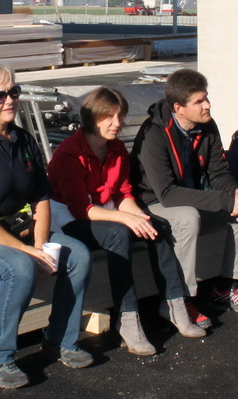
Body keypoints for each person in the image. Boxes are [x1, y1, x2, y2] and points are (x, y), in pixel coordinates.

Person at [0, 61, 93, 389]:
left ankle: (60, 340)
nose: (9, 100)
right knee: (19, 267)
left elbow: (41, 198)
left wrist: (40, 246)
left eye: (14, 92)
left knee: (78, 255)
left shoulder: (23, 139)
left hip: (14, 228)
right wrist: (28, 253)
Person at [47, 87, 205, 356]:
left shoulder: (117, 148)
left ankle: (173, 302)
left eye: (120, 116)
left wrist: (140, 217)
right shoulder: (69, 153)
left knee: (156, 226)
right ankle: (128, 318)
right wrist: (125, 218)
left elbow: (122, 193)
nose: (117, 123)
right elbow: (80, 208)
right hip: (69, 219)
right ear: (92, 118)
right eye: (108, 117)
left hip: (104, 211)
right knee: (118, 233)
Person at [129, 68, 238, 317]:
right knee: (188, 218)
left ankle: (226, 287)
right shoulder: (154, 134)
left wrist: (237, 194)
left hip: (190, 196)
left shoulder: (207, 126)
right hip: (153, 203)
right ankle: (181, 299)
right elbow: (167, 194)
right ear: (179, 108)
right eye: (199, 101)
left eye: (206, 97)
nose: (207, 105)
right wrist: (226, 200)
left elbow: (219, 173)